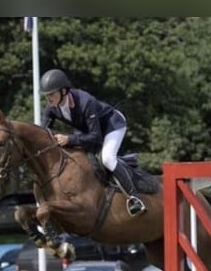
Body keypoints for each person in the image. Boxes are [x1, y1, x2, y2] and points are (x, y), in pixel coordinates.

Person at [39, 68, 146, 217]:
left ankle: (135, 198)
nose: (49, 99)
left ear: (63, 91)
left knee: (107, 158)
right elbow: (42, 132)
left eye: (51, 94)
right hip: (88, 131)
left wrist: (69, 139)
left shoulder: (85, 102)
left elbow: (96, 137)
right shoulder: (51, 108)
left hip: (112, 125)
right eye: (46, 95)